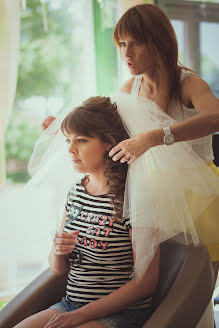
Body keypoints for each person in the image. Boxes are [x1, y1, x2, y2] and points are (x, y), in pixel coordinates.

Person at [41, 3, 219, 285]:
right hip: (158, 194)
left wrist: (153, 137)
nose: (126, 53)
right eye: (122, 43)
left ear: (158, 41)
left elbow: (216, 117)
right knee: (161, 285)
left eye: (135, 42)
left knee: (196, 291)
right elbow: (100, 119)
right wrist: (63, 125)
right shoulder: (130, 88)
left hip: (200, 197)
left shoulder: (189, 83)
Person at [14, 96, 159, 328]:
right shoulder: (75, 192)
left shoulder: (133, 197)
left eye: (81, 140)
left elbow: (146, 283)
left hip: (122, 314)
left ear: (109, 143)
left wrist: (80, 316)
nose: (71, 149)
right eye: (68, 141)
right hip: (71, 305)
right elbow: (58, 269)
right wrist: (57, 250)